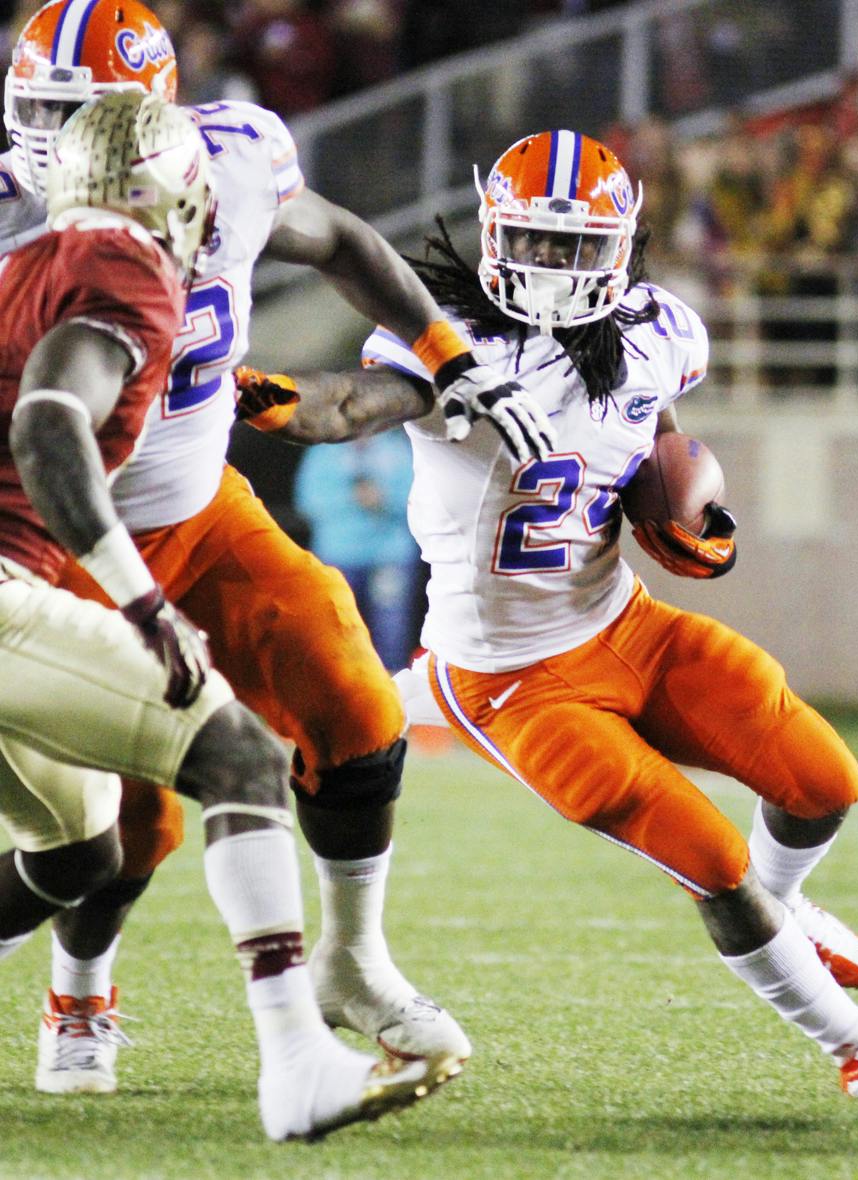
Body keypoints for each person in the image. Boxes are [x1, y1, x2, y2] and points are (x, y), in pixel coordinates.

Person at [237, 129, 858, 1103]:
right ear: (494, 235)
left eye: (574, 245)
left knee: (825, 780)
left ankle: (783, 909)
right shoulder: (450, 338)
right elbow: (353, 404)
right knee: (712, 860)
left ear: (621, 246)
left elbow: (656, 439)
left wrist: (685, 515)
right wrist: (266, 395)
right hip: (510, 678)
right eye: (533, 240)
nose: (551, 264)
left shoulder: (657, 328)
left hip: (625, 625)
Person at [1, 0, 552, 1095]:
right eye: (45, 114)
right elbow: (50, 424)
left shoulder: (232, 165)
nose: (66, 144)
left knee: (354, 698)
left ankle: (353, 963)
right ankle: (82, 994)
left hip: (199, 506)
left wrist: (447, 351)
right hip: (57, 536)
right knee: (124, 823)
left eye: (90, 114)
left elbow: (338, 237)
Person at [293, 429, 425, 673]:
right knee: (337, 628)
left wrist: (383, 500)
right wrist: (352, 498)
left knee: (391, 630)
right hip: (339, 555)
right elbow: (307, 501)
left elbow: (420, 501)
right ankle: (339, 683)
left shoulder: (395, 449)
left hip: (389, 556)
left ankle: (391, 685)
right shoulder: (324, 452)